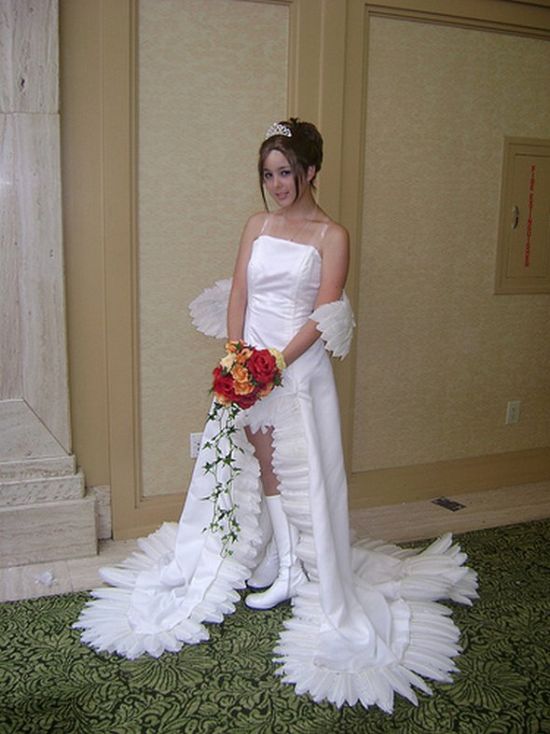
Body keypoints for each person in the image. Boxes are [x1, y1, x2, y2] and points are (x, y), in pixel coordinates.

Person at [75, 118, 477, 712]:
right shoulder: (256, 225)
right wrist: (238, 355)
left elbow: (324, 313)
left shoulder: (332, 235)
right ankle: (278, 562)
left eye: (286, 172)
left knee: (297, 467)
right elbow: (239, 292)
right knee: (259, 460)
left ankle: (294, 568)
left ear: (311, 171)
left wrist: (276, 363)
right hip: (251, 358)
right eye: (268, 175)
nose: (277, 185)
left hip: (297, 363)